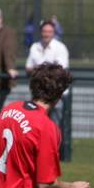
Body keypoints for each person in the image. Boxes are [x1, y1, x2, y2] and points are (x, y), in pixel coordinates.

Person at [25, 20, 71, 158]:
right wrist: (46, 71)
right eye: (45, 31)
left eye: (50, 31)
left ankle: (54, 153)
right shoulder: (34, 47)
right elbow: (28, 68)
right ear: (41, 32)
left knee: (54, 125)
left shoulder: (60, 48)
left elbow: (60, 71)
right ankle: (38, 152)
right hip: (39, 94)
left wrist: (39, 71)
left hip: (56, 94)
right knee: (37, 123)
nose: (47, 34)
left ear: (54, 33)